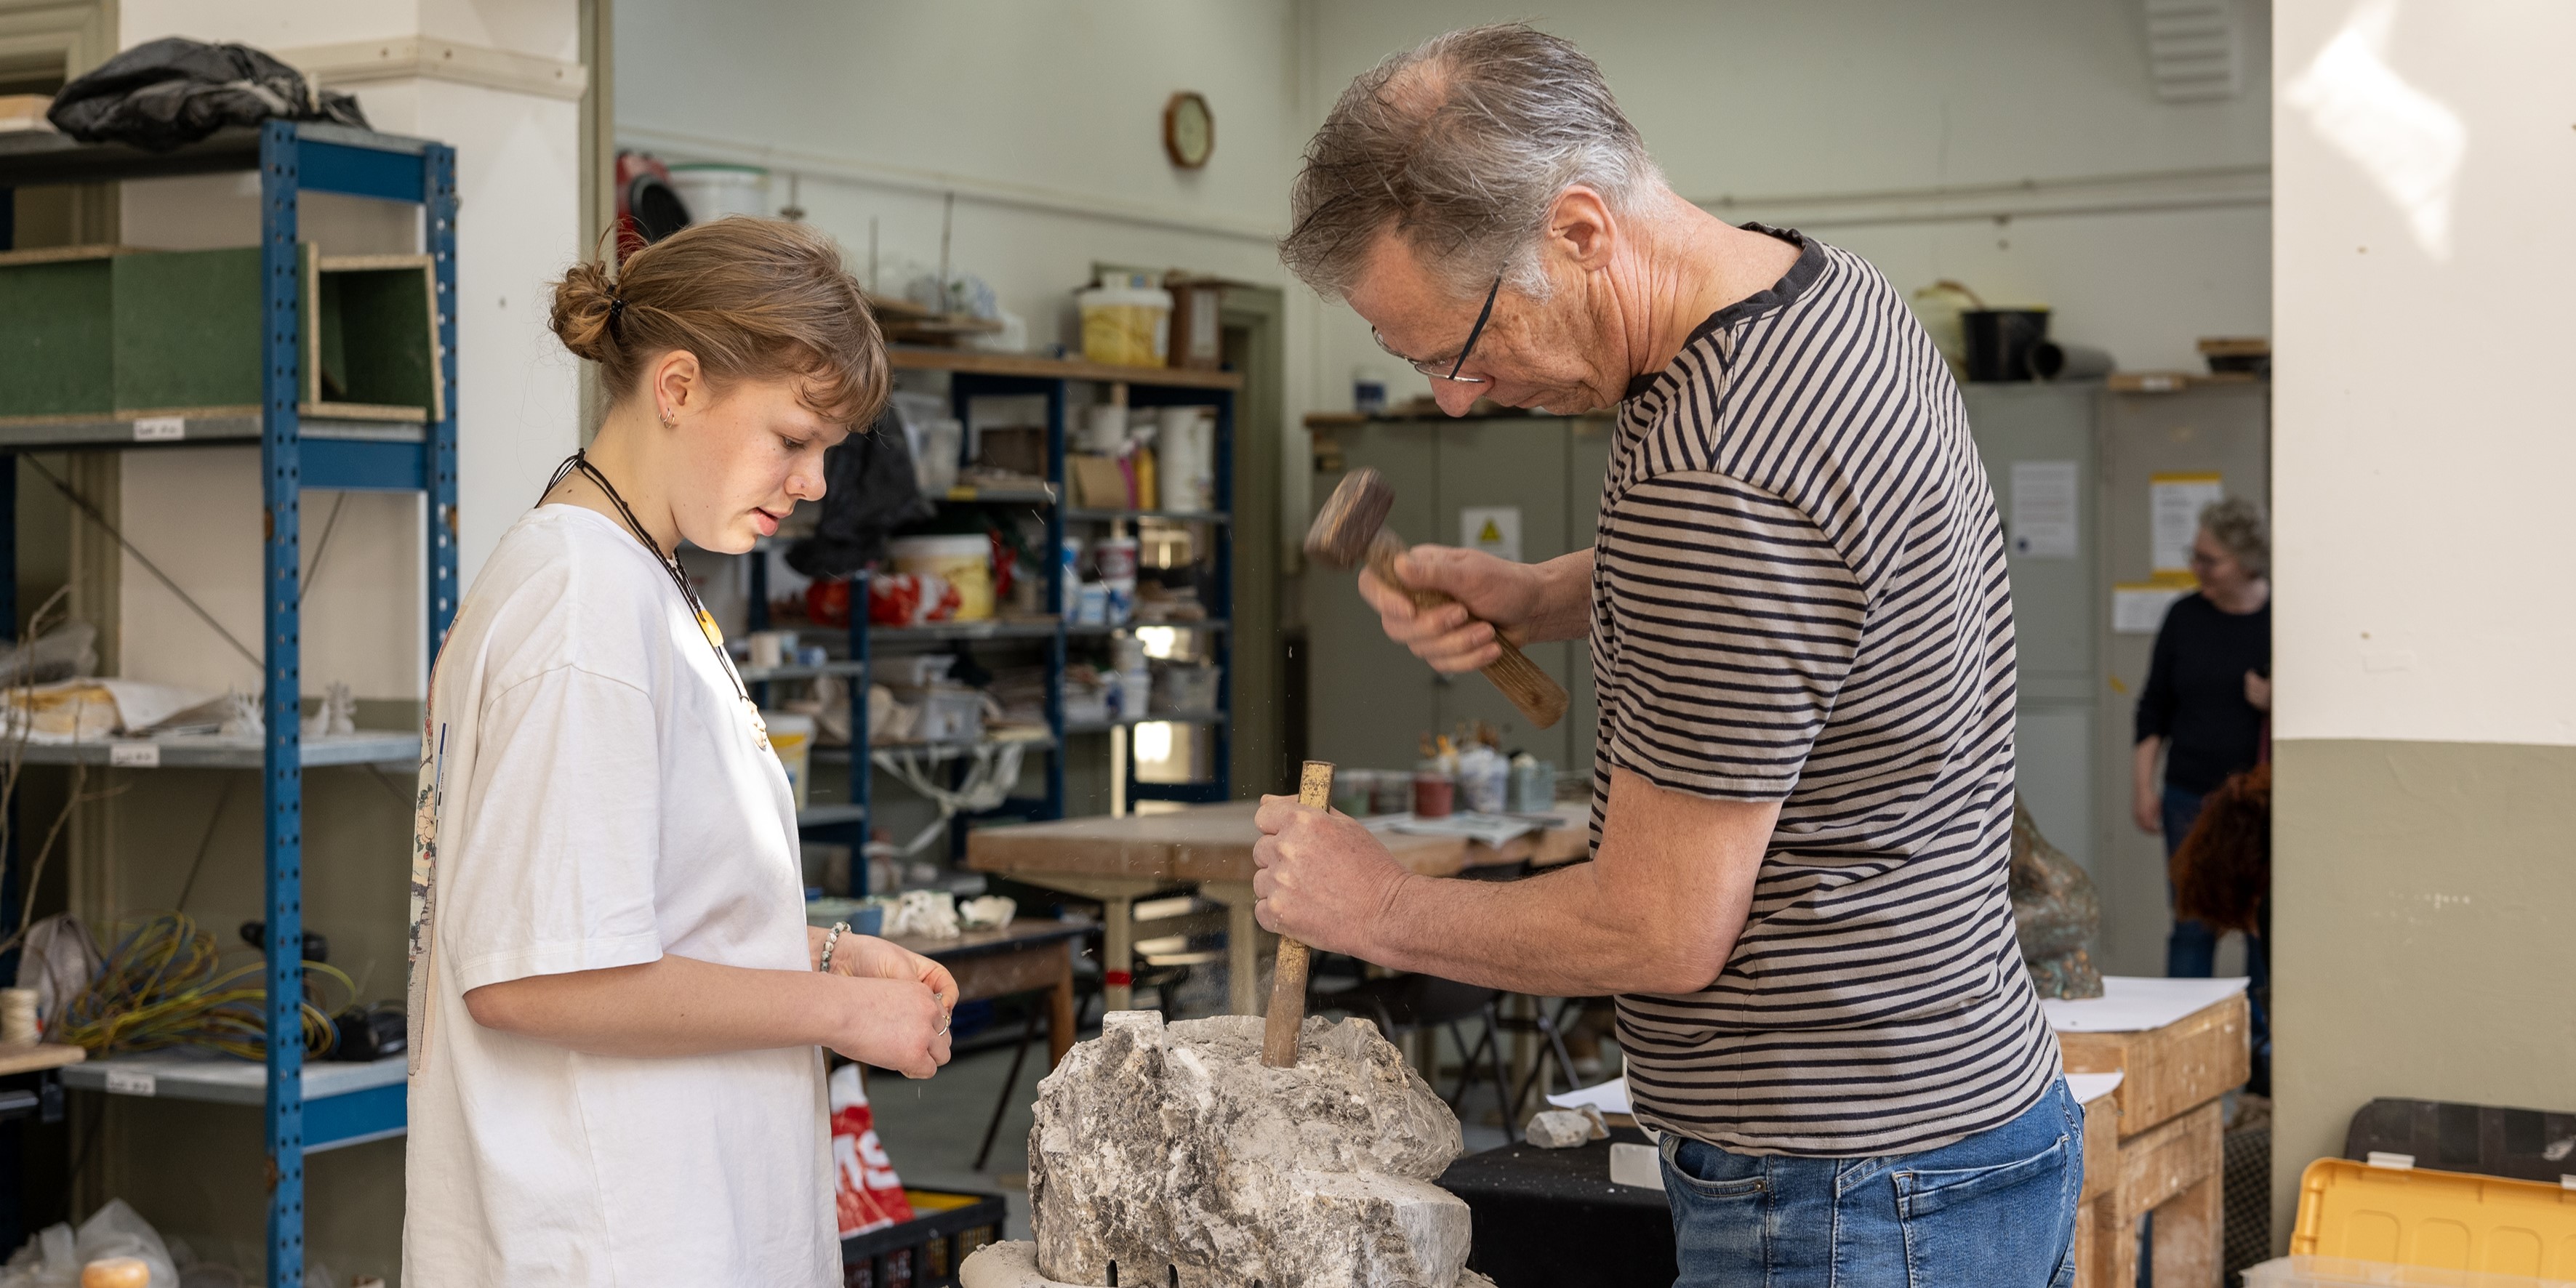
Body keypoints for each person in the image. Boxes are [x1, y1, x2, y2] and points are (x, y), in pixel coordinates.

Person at [1263, 25, 2077, 1288]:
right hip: (1956, 1113)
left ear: (1581, 230)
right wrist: (1547, 592)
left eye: (1459, 342)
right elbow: (1824, 570)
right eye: (1413, 358)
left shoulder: (1708, 475)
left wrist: (1373, 907)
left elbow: (1655, 927)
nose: (1455, 398)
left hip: (1841, 1188)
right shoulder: (1826, 298)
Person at [404, 218, 958, 1287]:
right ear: (677, 388)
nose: (814, 486)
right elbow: (535, 978)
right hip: (610, 1242)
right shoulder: (583, 607)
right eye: (792, 439)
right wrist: (838, 1011)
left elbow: (620, 913)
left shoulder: (630, 581)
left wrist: (822, 955)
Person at [2130, 496, 2272, 978]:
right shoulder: (2183, 617)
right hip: (2187, 796)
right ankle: (2184, 1042)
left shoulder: (2281, 620)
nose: (2196, 569)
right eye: (2194, 556)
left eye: (2209, 560)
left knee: (2262, 927)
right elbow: (2153, 707)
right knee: (2192, 926)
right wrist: (2143, 786)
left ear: (2246, 562)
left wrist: (2277, 702)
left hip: (2258, 807)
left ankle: (2261, 1047)